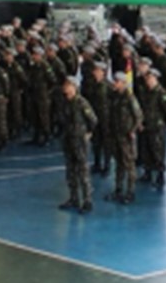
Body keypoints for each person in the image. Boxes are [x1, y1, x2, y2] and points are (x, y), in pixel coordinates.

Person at [60, 77, 97, 214]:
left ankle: (87, 200)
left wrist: (88, 133)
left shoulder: (81, 103)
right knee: (70, 171)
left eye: (68, 85)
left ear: (74, 87)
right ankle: (74, 198)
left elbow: (93, 119)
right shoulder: (65, 102)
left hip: (79, 141)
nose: (65, 88)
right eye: (65, 85)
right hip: (68, 140)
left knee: (82, 171)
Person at [106, 72, 143, 204]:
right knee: (119, 164)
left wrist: (132, 131)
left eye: (117, 82)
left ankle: (130, 191)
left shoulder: (129, 98)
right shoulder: (115, 96)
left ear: (123, 83)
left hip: (126, 136)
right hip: (116, 134)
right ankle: (118, 189)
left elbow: (138, 116)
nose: (114, 84)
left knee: (129, 164)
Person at [137, 69, 166, 189]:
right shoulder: (144, 92)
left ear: (156, 79)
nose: (149, 81)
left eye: (151, 78)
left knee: (158, 151)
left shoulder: (161, 93)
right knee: (146, 150)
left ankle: (160, 175)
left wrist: (162, 123)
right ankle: (147, 173)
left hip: (157, 127)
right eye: (147, 79)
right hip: (146, 125)